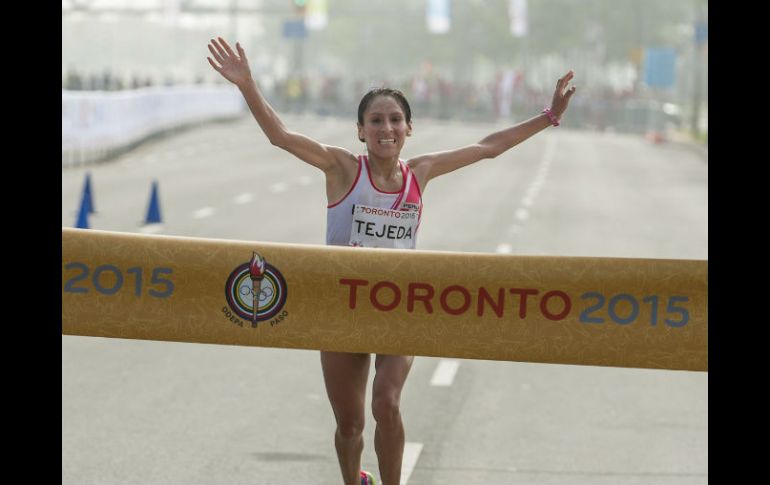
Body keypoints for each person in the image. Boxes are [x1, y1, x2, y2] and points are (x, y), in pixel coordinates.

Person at [206, 36, 576, 485]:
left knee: (387, 402)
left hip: (399, 303)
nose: (387, 128)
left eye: (396, 119)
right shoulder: (343, 169)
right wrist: (247, 85)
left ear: (409, 128)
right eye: (376, 120)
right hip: (341, 305)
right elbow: (280, 136)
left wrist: (549, 116)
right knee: (350, 425)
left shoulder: (420, 172)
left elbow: (488, 147)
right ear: (361, 131)